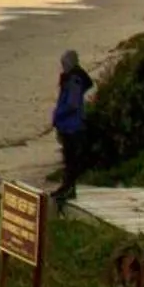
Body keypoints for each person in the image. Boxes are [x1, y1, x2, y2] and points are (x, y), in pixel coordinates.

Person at [51, 49, 93, 203]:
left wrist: (58, 114)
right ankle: (67, 187)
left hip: (72, 127)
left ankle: (68, 188)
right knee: (69, 159)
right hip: (69, 126)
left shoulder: (74, 80)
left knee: (71, 160)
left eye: (65, 63)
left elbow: (72, 104)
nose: (63, 66)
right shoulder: (71, 78)